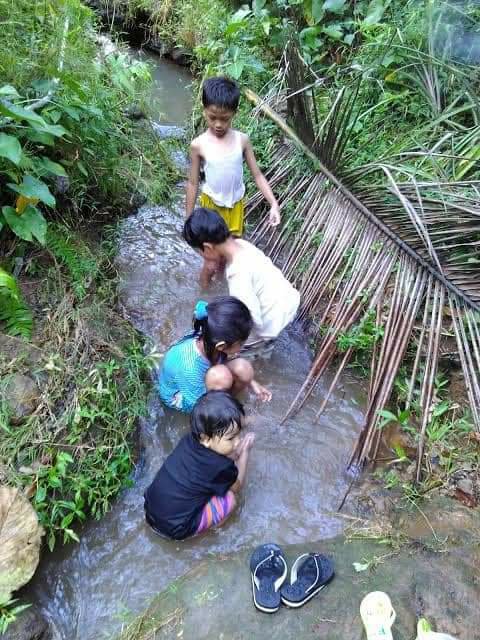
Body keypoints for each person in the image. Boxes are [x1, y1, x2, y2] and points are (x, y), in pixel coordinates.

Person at [186, 76, 281, 287]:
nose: (218, 124)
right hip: (211, 209)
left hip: (235, 207)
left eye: (225, 118)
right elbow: (192, 183)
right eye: (212, 117)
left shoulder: (242, 141)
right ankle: (203, 294)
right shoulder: (198, 145)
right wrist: (188, 219)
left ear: (234, 113)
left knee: (230, 257)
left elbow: (258, 175)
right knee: (211, 262)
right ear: (204, 110)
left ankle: (222, 291)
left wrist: (273, 204)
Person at [184, 208, 300, 353]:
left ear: (207, 248)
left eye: (200, 253)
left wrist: (236, 346)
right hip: (287, 301)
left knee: (234, 349)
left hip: (271, 324)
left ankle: (263, 352)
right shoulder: (242, 245)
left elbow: (250, 318)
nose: (203, 257)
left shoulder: (237, 275)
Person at [144, 391, 255, 540]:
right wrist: (245, 452)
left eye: (239, 434)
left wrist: (232, 449)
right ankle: (207, 535)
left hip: (151, 512)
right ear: (206, 439)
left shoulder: (189, 440)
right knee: (230, 499)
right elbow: (237, 486)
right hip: (176, 529)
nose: (238, 441)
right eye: (231, 438)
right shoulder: (220, 467)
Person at [157, 296, 271, 413]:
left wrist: (251, 382)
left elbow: (230, 361)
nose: (243, 346)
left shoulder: (211, 335)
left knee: (243, 369)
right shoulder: (190, 368)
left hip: (198, 378)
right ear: (221, 346)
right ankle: (226, 408)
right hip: (182, 397)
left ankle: (227, 400)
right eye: (241, 343)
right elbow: (196, 407)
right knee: (222, 377)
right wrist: (232, 417)